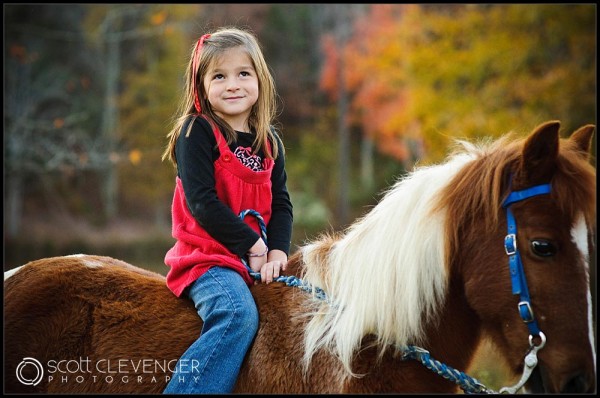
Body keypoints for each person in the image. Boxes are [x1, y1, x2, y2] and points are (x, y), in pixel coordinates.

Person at [161, 26, 293, 394]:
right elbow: (202, 203)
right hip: (206, 259)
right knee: (237, 315)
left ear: (259, 80)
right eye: (219, 76)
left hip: (259, 257)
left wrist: (278, 252)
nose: (232, 84)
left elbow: (281, 204)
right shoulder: (196, 132)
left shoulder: (270, 141)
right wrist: (253, 246)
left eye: (243, 74)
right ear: (201, 86)